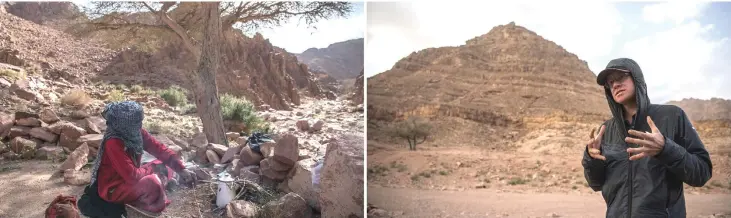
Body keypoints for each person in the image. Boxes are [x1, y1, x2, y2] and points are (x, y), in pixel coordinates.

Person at [582, 58, 713, 218]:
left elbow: (702, 173)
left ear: (636, 78)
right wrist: (591, 159)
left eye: (621, 77)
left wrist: (666, 149)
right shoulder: (606, 129)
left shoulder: (672, 116)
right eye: (610, 82)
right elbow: (596, 184)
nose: (615, 85)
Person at [78, 101, 197, 218]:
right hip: (113, 187)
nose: (139, 125)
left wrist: (181, 168)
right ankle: (153, 191)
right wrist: (152, 168)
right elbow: (132, 176)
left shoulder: (135, 132)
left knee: (165, 164)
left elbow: (158, 149)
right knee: (152, 182)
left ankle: (160, 183)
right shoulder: (113, 142)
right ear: (126, 124)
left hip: (131, 178)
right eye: (136, 122)